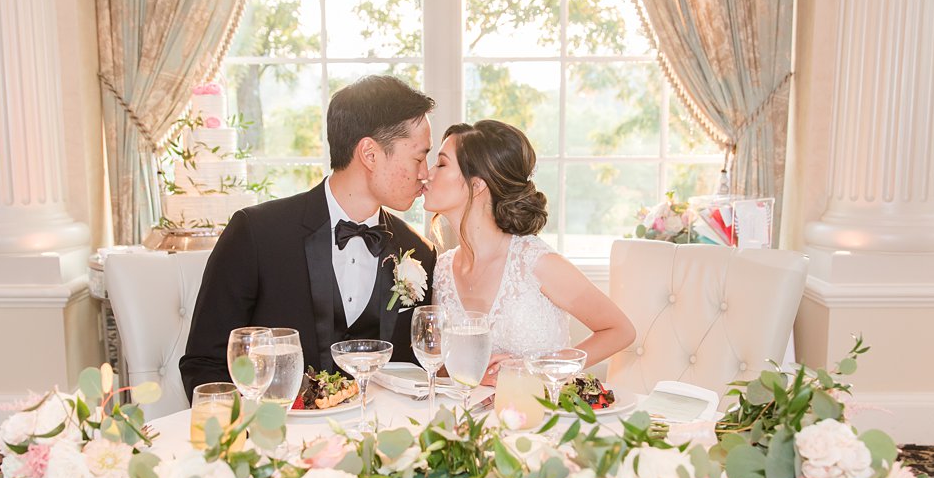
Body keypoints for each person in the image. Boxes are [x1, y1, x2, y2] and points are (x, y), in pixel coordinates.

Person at [179, 75, 437, 396]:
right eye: (418, 157)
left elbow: (416, 372)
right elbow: (205, 363)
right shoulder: (257, 234)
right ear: (369, 154)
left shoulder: (418, 252)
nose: (425, 173)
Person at [422, 119, 634, 385]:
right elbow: (440, 367)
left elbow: (620, 331)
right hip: (472, 420)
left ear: (477, 185)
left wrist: (535, 368)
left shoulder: (535, 262)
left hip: (543, 418)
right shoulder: (442, 269)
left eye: (441, 164)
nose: (427, 173)